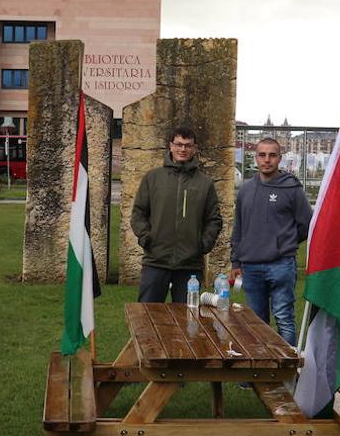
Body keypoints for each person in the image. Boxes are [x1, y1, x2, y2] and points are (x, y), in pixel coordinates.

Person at [230, 137, 312, 345]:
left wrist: (284, 243)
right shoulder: (245, 190)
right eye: (262, 155)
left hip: (281, 265)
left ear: (279, 159)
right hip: (251, 267)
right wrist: (236, 262)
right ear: (255, 158)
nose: (267, 160)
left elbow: (307, 225)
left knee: (284, 319)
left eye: (272, 155)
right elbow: (239, 228)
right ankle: (260, 374)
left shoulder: (292, 188)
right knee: (256, 323)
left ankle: (287, 375)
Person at [130, 126, 222, 303]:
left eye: (187, 145)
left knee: (188, 320)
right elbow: (138, 213)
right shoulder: (153, 178)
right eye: (178, 144)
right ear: (170, 146)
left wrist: (203, 244)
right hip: (156, 261)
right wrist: (146, 238)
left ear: (194, 148)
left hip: (190, 265)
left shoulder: (204, 183)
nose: (182, 149)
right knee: (148, 317)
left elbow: (214, 219)